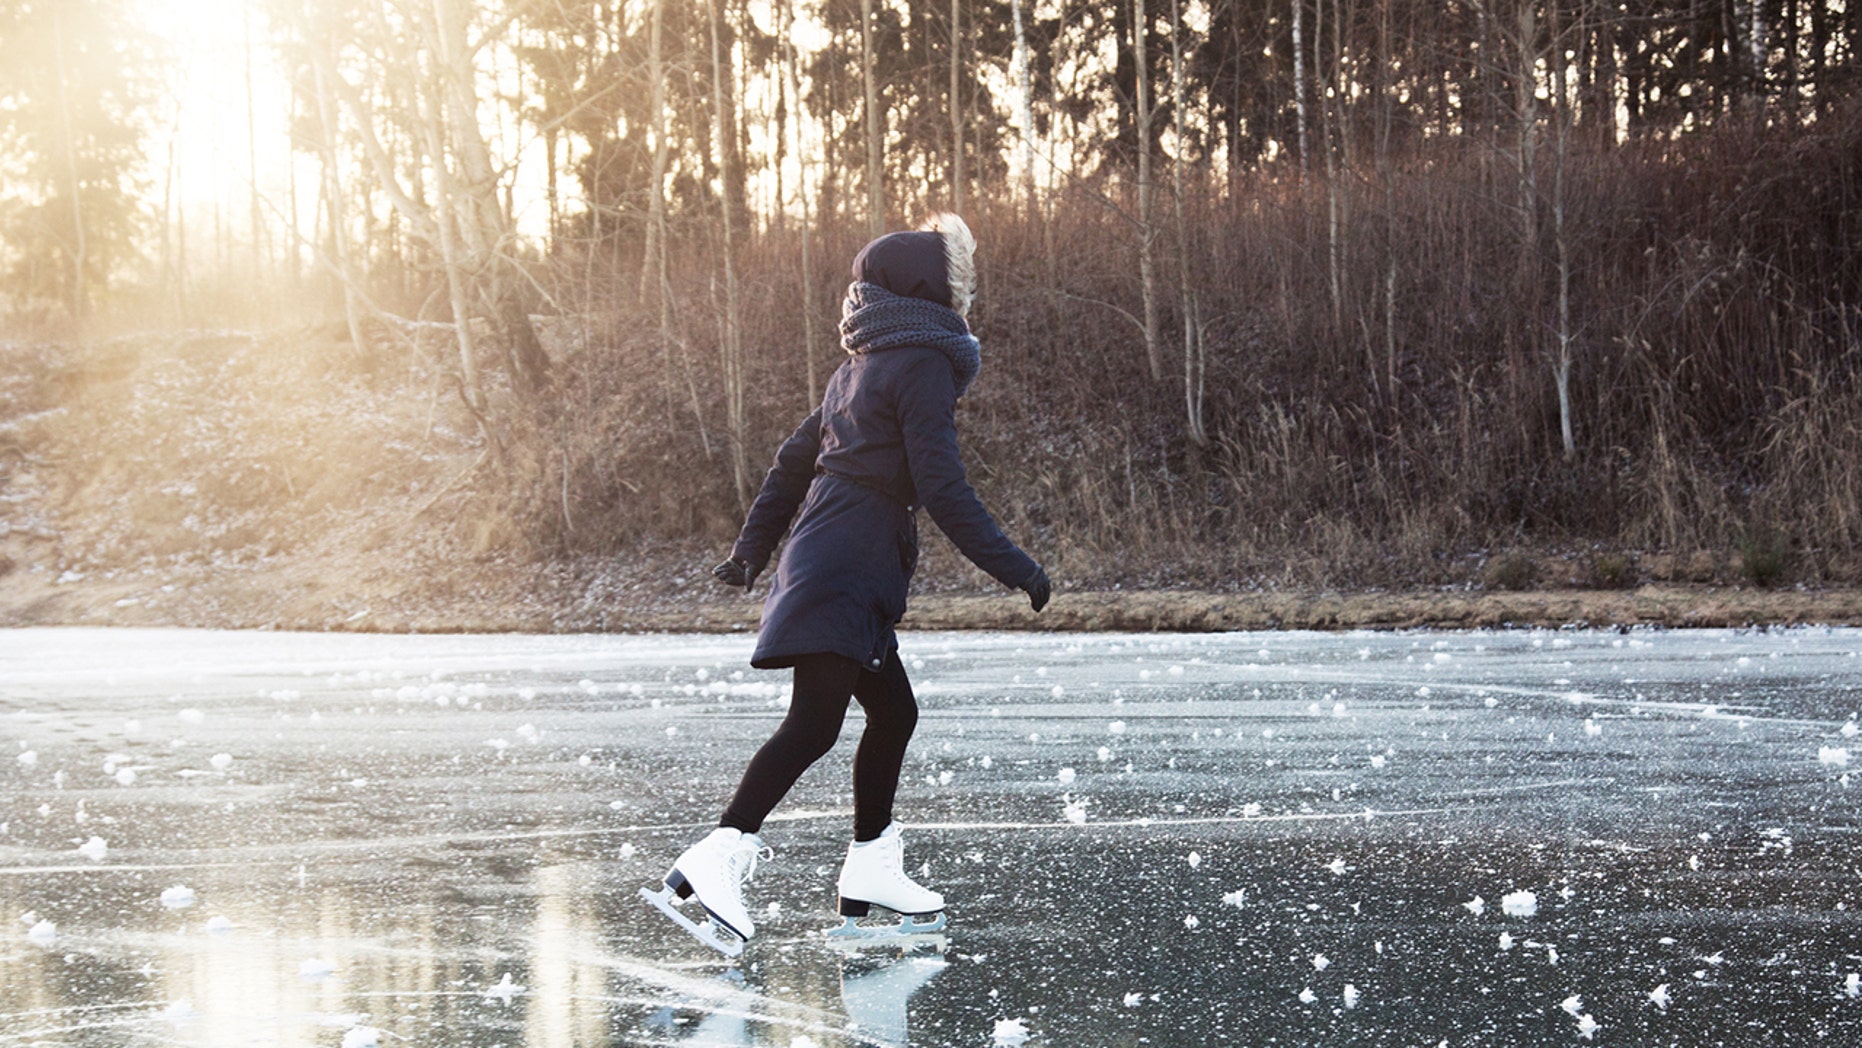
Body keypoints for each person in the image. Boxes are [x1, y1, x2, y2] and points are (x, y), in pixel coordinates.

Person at [643, 213, 1050, 954]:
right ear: (938, 292)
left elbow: (791, 463)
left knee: (893, 712)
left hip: (833, 553)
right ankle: (718, 853)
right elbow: (942, 484)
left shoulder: (856, 370)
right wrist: (1014, 564)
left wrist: (751, 553)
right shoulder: (919, 364)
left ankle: (871, 866)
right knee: (815, 723)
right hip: (848, 559)